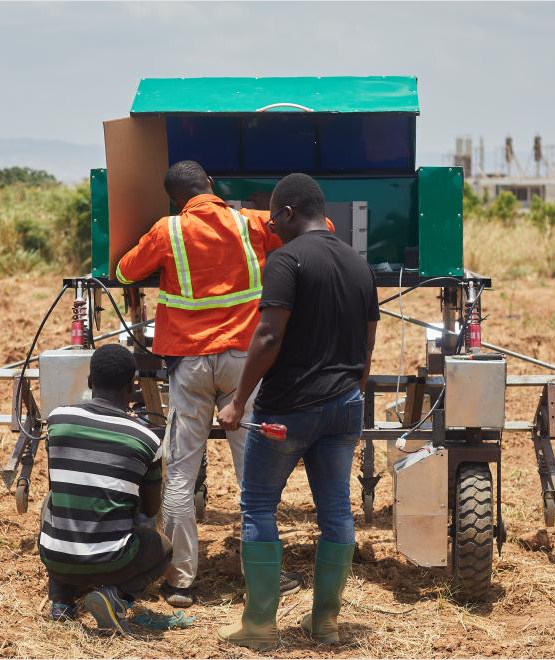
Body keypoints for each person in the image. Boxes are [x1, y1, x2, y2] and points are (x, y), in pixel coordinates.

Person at [115, 160, 309, 607]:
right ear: (212, 186)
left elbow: (125, 272)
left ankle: (181, 580)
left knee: (180, 472)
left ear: (176, 199)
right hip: (244, 366)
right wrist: (272, 212)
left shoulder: (168, 230)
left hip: (189, 366)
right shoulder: (250, 223)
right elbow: (320, 225)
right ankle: (263, 576)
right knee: (253, 476)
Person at [216, 173, 379, 649]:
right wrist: (353, 391)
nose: (270, 225)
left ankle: (260, 626)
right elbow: (369, 342)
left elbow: (268, 336)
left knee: (258, 506)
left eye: (273, 218)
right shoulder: (358, 263)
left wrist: (239, 400)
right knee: (336, 513)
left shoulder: (285, 260)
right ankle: (325, 624)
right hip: (345, 406)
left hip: (286, 410)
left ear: (288, 211)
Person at [39, 344, 172, 634]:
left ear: (90, 382)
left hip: (55, 555)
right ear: (132, 386)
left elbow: (58, 485)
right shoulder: (146, 439)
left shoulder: (58, 421)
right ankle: (116, 597)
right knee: (162, 548)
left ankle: (62, 602)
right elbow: (150, 508)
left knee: (56, 502)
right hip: (111, 559)